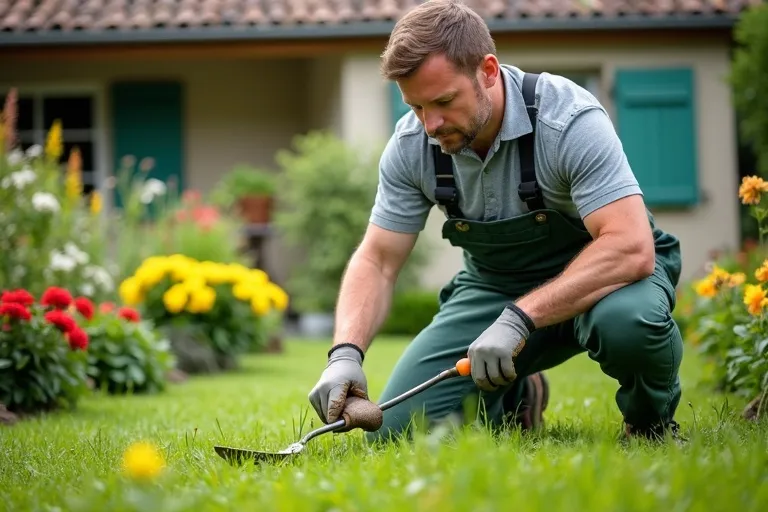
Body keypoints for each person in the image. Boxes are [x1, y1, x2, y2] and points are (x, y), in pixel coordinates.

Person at [308, 0, 684, 443]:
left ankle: (649, 424)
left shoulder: (568, 120)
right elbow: (378, 260)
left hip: (608, 280)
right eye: (415, 107)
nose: (431, 124)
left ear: (488, 71)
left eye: (445, 101)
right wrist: (345, 353)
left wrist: (521, 319)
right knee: (393, 434)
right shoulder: (412, 147)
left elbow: (629, 246)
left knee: (628, 323)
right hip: (495, 287)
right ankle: (518, 395)